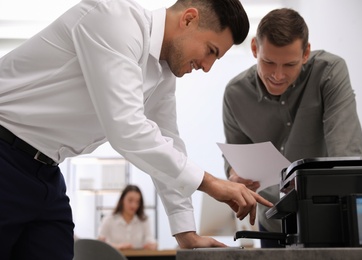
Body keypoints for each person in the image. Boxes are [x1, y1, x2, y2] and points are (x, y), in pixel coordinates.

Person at [0, 0, 274, 259]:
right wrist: (213, 184)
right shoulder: (114, 19)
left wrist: (186, 232)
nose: (206, 66)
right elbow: (126, 127)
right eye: (210, 51)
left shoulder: (163, 75)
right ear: (189, 19)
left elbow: (168, 143)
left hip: (46, 173)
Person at [223, 8, 362, 248]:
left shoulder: (329, 73)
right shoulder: (235, 94)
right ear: (255, 49)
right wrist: (233, 176)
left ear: (305, 53)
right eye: (268, 62)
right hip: (273, 224)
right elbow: (234, 160)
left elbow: (347, 157)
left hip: (329, 219)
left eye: (290, 64)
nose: (278, 75)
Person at [98, 184, 157, 250]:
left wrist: (152, 245)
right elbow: (100, 243)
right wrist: (118, 247)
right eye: (130, 200)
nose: (133, 205)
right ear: (122, 200)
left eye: (137, 201)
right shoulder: (109, 220)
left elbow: (149, 239)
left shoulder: (144, 220)